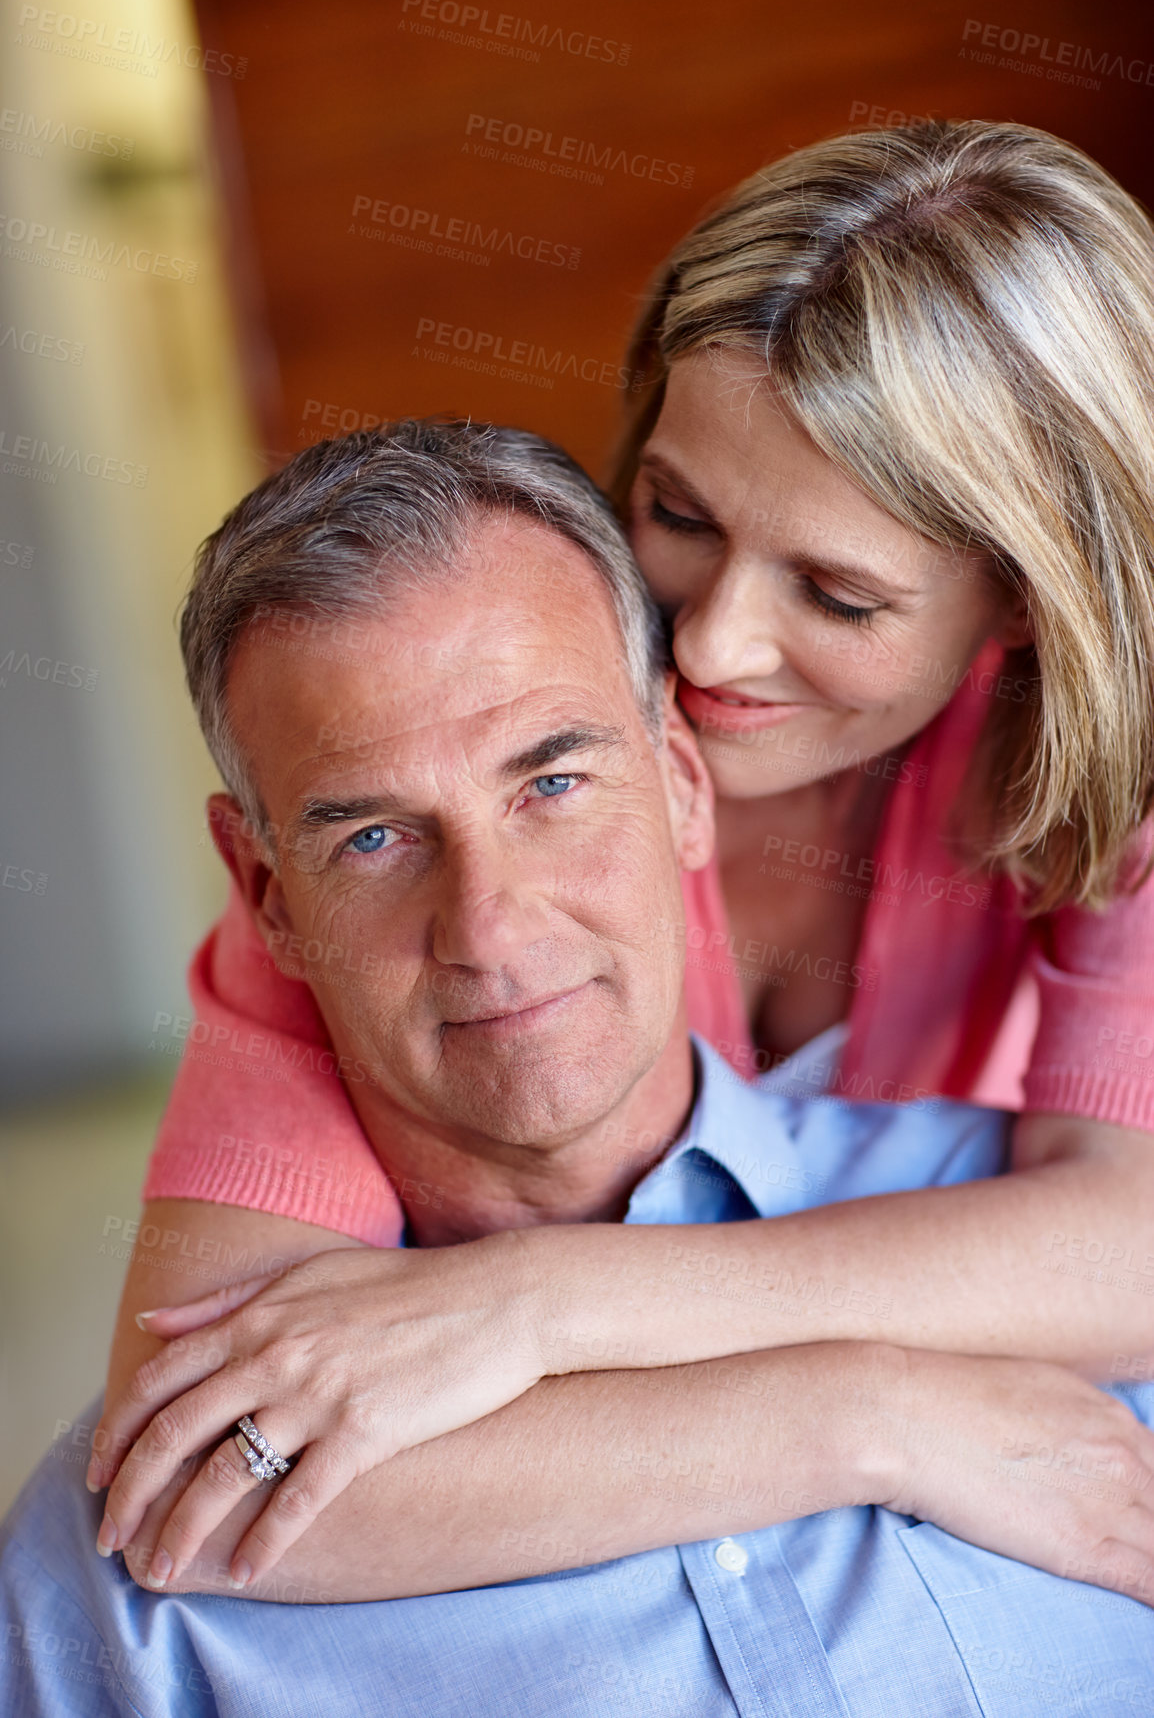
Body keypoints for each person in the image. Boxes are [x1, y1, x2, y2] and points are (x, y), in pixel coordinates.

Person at [3, 421, 1153, 1718]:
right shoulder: (138, 1555)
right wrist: (861, 1416)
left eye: (550, 782)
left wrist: (550, 1303)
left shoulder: (1048, 1312)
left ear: (678, 778)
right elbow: (207, 1488)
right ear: (267, 893)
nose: (490, 927)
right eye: (375, 836)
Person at [125, 122, 1154, 1492]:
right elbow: (205, 1449)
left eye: (836, 596)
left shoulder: (1119, 773)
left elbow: (1125, 1248)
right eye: (676, 514)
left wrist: (545, 1303)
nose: (712, 646)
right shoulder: (428, 794)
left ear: (1026, 602)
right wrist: (860, 1420)